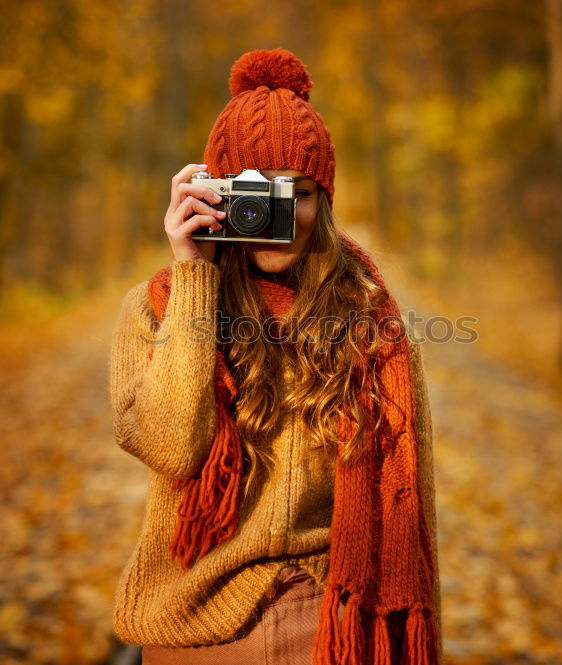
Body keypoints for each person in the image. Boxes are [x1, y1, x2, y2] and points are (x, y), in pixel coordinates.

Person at [108, 47, 443, 665]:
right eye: (255, 195)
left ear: (326, 203)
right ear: (215, 194)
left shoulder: (372, 318)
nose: (276, 219)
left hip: (331, 621)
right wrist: (194, 277)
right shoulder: (156, 306)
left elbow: (408, 524)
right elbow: (173, 448)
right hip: (197, 624)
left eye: (298, 195)